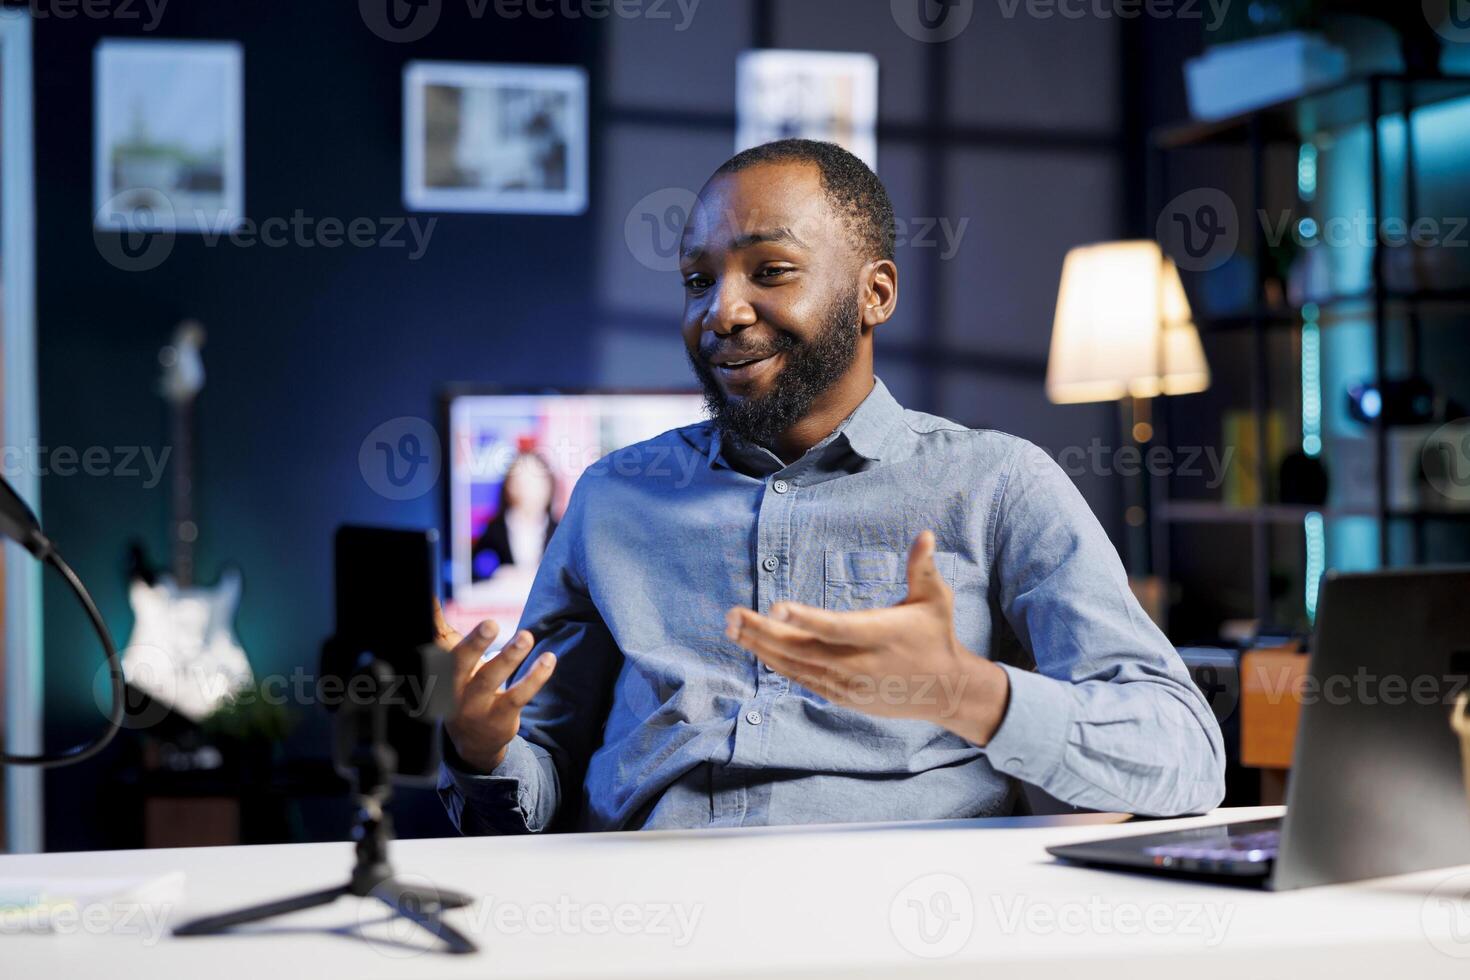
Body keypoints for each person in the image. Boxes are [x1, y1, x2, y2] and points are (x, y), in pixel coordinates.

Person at [436, 139, 1226, 834]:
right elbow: (533, 778)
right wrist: (479, 746)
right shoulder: (612, 500)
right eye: (696, 279)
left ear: (875, 293)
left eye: (770, 271)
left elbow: (1182, 753)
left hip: (911, 920)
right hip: (648, 914)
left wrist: (969, 693)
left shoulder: (997, 484)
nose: (722, 310)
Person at [469, 450, 559, 582]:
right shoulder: (494, 530)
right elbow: (476, 570)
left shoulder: (561, 531)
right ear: (508, 487)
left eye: (535, 481)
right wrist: (498, 574)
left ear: (549, 486)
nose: (527, 488)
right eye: (520, 481)